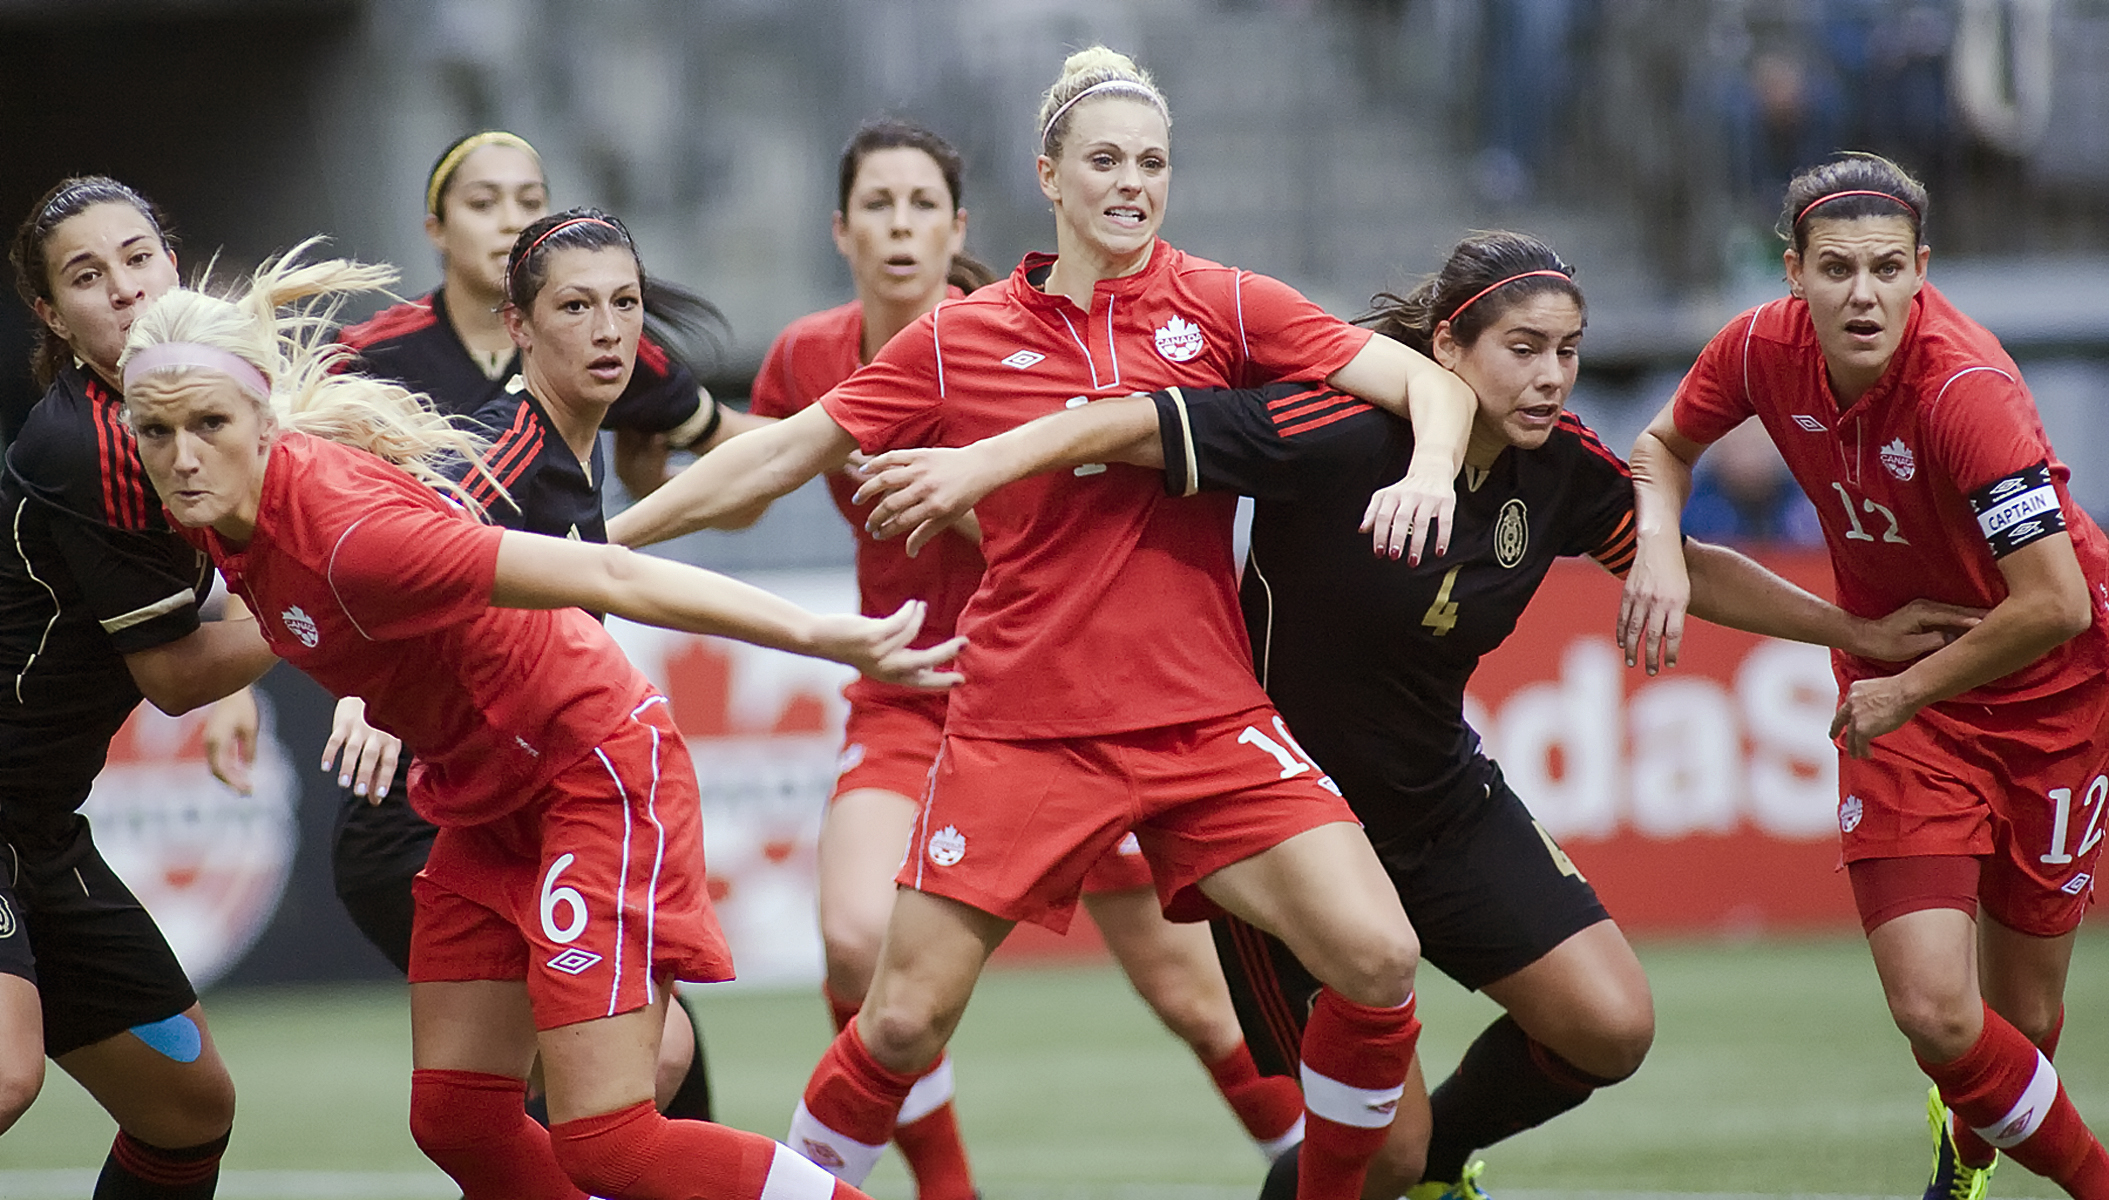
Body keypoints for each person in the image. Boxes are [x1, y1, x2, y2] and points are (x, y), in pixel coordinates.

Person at [849, 229, 1975, 1199]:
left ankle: (1444, 1159)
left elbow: (1678, 557)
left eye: (1568, 354)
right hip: (1280, 823)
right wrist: (986, 468)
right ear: (1446, 349)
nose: (1550, 379)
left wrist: (1849, 629)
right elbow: (1138, 421)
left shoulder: (1565, 471)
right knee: (1373, 1156)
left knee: (1610, 1026)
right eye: (1522, 350)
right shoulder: (1338, 430)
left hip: (1438, 799)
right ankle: (1400, 1163)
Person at [612, 47, 1479, 1200]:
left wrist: (1428, 469)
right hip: (1024, 726)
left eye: (1155, 163)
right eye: (1106, 161)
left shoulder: (1221, 301)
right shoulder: (957, 338)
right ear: (1050, 178)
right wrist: (600, 549)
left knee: (1376, 958)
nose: (1133, 183)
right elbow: (777, 453)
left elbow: (1434, 383)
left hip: (1204, 719)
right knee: (901, 1017)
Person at [120, 247, 963, 1200]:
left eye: (209, 424)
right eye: (156, 431)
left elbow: (611, 573)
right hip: (482, 795)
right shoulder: (202, 502)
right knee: (458, 1121)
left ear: (265, 421)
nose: (182, 456)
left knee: (614, 1143)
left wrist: (821, 633)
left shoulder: (359, 537)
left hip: (589, 768)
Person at [204, 132, 744, 1123]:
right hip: (429, 793)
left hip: (528, 766)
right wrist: (357, 678)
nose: (507, 216)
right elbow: (295, 526)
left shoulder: (604, 353)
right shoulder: (390, 365)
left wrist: (858, 443)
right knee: (598, 1084)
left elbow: (724, 478)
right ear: (437, 231)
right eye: (484, 200)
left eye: (527, 195)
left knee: (636, 1078)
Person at [1619, 152, 2109, 1200]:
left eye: (1889, 269)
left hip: (2052, 686)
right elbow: (1660, 448)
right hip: (1911, 699)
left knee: (2017, 1022)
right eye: (1836, 269)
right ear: (1791, 272)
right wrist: (1657, 544)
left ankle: (1966, 1153)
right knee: (1937, 1011)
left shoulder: (1967, 392)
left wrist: (1899, 690)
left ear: (1922, 270)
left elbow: (2056, 602)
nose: (1864, 294)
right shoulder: (1757, 349)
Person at [1, 176, 279, 1196]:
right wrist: (327, 605)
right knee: (2, 1075)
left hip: (35, 823)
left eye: (136, 256)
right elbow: (172, 675)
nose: (120, 289)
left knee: (186, 1108)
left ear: (174, 261)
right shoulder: (91, 445)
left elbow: (224, 588)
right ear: (52, 317)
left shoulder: (195, 406)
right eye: (84, 276)